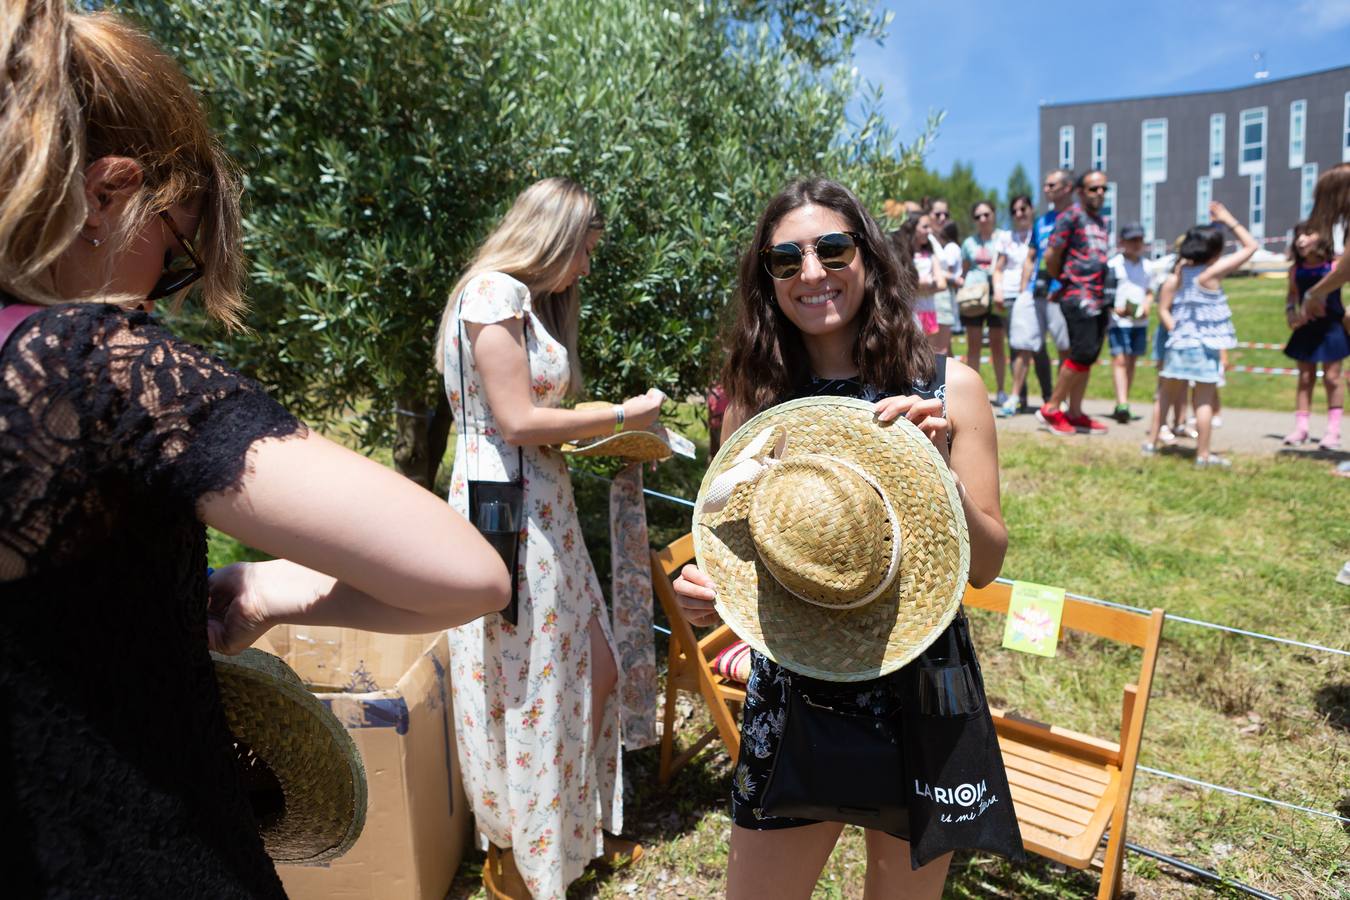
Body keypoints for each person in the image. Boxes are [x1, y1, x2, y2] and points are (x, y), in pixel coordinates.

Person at [0, 4, 511, 896]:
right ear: (107, 196)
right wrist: (275, 585)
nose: (167, 291)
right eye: (180, 254)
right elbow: (467, 573)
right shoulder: (87, 368)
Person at [671, 178, 1009, 900]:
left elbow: (983, 567)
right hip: (793, 694)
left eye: (832, 249)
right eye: (786, 260)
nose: (813, 274)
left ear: (869, 256)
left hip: (923, 690)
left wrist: (942, 478)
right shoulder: (753, 403)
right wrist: (705, 592)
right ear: (766, 278)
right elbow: (731, 550)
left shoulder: (952, 389)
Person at [435, 177, 664, 900]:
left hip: (541, 499)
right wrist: (621, 415)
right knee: (527, 676)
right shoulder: (494, 293)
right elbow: (516, 421)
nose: (586, 270)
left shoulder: (520, 302)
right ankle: (522, 854)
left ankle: (561, 834)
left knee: (587, 664)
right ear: (555, 236)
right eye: (585, 252)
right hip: (508, 505)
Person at [1143, 202, 1258, 467]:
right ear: (1215, 251)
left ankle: (1151, 442)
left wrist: (1178, 332)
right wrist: (1229, 220)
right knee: (1203, 400)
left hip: (1179, 345)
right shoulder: (1211, 273)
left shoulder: (1180, 273)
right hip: (1203, 348)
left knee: (1165, 394)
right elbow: (1251, 247)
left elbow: (1165, 310)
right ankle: (1203, 455)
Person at [1036, 170, 1113, 435]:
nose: (1100, 193)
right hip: (1077, 297)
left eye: (1103, 188)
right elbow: (1051, 255)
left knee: (1088, 355)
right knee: (1080, 353)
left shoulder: (1101, 221)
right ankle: (1052, 408)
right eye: (1093, 189)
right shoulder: (1070, 216)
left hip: (1099, 298)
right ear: (1080, 191)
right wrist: (1067, 279)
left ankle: (1076, 412)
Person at [1013, 170, 1075, 414]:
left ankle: (1061, 401)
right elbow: (1031, 257)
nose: (1046, 189)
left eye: (1051, 184)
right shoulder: (1042, 221)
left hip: (1063, 294)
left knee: (1064, 348)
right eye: (1046, 185)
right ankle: (1016, 398)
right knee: (1024, 345)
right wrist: (1023, 289)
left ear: (1067, 187)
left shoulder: (1076, 217)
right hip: (1036, 293)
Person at [1282, 222, 1346, 449]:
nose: (1301, 239)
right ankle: (1301, 428)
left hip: (1332, 328)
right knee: (1305, 378)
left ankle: (1333, 431)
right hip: (1307, 328)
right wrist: (1291, 311)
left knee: (1332, 378)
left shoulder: (1335, 265)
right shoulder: (1295, 270)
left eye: (1307, 234)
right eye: (1298, 234)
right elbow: (1292, 295)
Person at [960, 200, 1008, 404]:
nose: (983, 219)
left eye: (986, 214)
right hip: (975, 297)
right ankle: (973, 394)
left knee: (998, 344)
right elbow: (964, 270)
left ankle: (1001, 391)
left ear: (994, 215)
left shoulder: (1003, 239)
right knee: (974, 346)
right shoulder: (969, 243)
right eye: (978, 216)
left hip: (997, 295)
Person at [993, 195, 1036, 416]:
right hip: (1010, 297)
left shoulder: (1038, 233)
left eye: (1023, 209)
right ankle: (1018, 397)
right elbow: (998, 268)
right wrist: (998, 291)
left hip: (1034, 295)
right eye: (1015, 211)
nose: (1019, 214)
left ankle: (1047, 398)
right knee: (1018, 347)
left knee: (1035, 351)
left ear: (1031, 209)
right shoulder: (1006, 237)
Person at [1106, 223, 1153, 423]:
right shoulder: (1113, 265)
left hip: (1139, 322)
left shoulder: (1148, 266)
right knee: (1120, 360)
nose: (1136, 244)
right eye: (1132, 240)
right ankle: (1122, 402)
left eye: (1139, 240)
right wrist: (1115, 309)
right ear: (1122, 242)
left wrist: (1147, 306)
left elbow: (1150, 292)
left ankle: (1123, 401)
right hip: (1118, 321)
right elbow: (1107, 295)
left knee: (1131, 361)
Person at [899, 214, 948, 351]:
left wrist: (921, 286)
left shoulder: (931, 255)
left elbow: (942, 284)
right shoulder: (902, 255)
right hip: (908, 312)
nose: (929, 231)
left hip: (928, 310)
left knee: (929, 352)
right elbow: (900, 284)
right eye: (925, 227)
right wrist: (922, 284)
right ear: (913, 228)